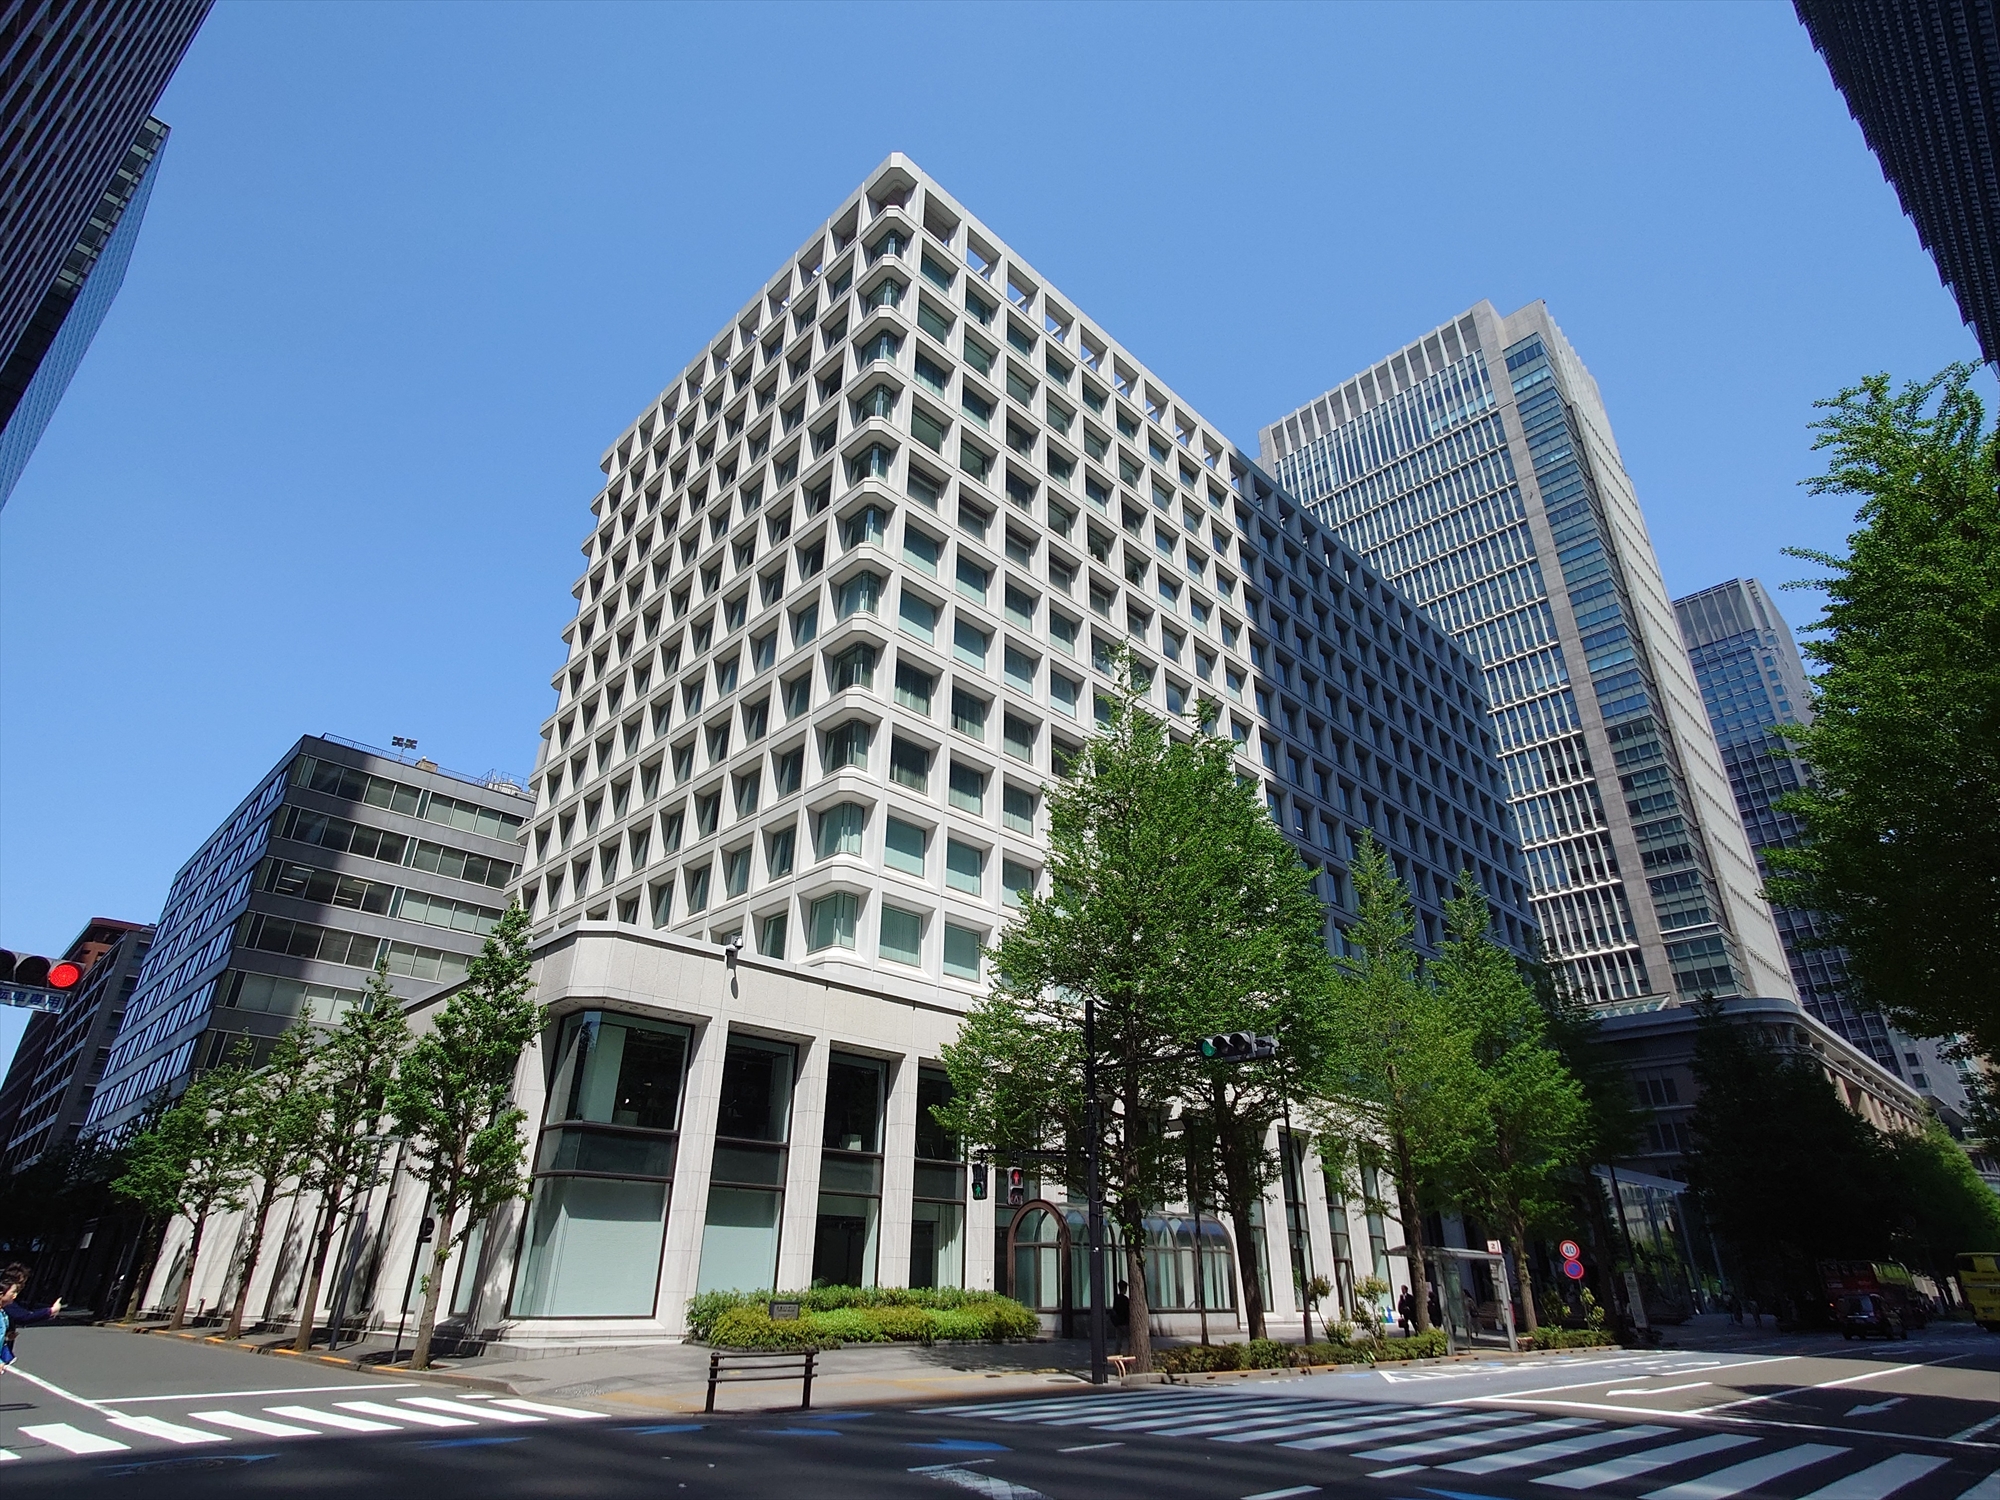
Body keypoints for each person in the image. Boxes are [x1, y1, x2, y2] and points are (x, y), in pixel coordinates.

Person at [0, 1264, 62, 1368]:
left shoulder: (3, 1312)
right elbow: (24, 1317)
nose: (15, 1294)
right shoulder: (6, 1307)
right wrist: (51, 1311)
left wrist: (6, 1336)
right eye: (21, 1283)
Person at [1110, 1283, 1130, 1354]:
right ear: (1124, 1289)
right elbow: (1128, 1311)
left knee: (1118, 1339)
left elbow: (1114, 1309)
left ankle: (1117, 1352)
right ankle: (1130, 1351)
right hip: (1125, 1322)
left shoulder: (1116, 1298)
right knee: (1129, 1338)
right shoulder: (1126, 1300)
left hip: (1118, 1322)